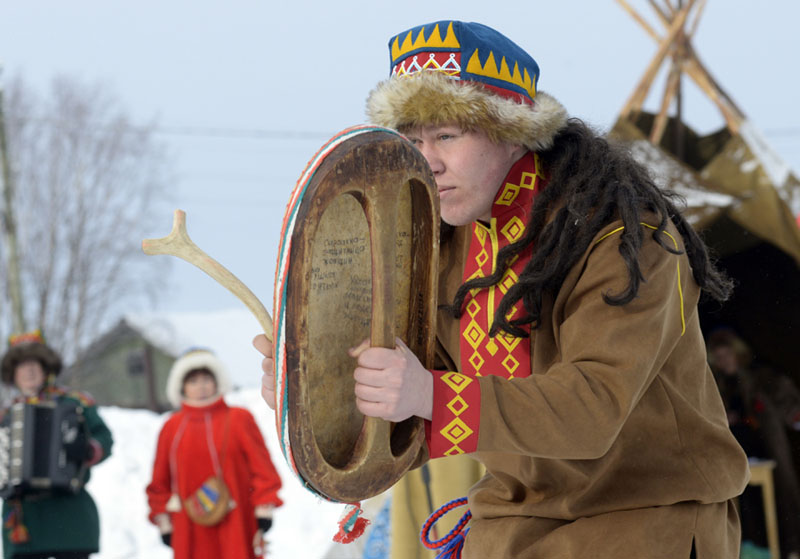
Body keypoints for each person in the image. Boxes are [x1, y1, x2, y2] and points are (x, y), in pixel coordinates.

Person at [254, 20, 750, 558]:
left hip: (645, 523)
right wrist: (318, 398)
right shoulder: (445, 243)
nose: (429, 160)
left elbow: (593, 408)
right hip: (509, 524)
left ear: (514, 130)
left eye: (447, 134)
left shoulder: (625, 238)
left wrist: (429, 394)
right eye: (414, 139)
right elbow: (415, 403)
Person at [146, 348, 283, 559]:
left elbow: (262, 467)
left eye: (206, 379)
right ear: (181, 386)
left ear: (217, 381)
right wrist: (163, 519)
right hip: (189, 523)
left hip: (236, 519)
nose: (201, 386)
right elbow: (159, 479)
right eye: (193, 381)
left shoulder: (239, 418)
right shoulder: (172, 427)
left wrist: (263, 508)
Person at [0, 330, 113, 559]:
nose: (29, 371)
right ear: (13, 374)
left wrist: (88, 448)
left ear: (46, 368)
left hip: (69, 515)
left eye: (34, 364)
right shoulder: (5, 414)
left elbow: (104, 438)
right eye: (22, 366)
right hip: (25, 520)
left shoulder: (75, 403)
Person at [707, 328, 800, 559]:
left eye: (727, 354)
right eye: (718, 357)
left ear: (736, 352)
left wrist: (794, 415)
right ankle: (752, 550)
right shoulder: (717, 387)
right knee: (745, 503)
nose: (724, 361)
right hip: (740, 454)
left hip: (768, 448)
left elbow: (784, 397)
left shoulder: (759, 376)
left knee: (783, 496)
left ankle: (792, 548)